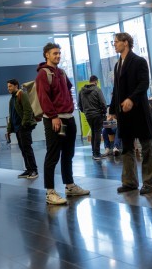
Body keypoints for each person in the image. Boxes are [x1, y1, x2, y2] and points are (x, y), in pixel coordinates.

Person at [37, 42, 90, 205]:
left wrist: (70, 108)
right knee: (53, 154)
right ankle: (50, 191)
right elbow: (43, 98)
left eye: (59, 53)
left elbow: (67, 90)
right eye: (54, 53)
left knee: (68, 153)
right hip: (55, 119)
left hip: (68, 117)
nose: (58, 56)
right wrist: (53, 116)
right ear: (47, 55)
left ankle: (69, 185)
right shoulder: (43, 74)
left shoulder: (61, 72)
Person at [109, 32, 152, 195]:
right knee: (127, 148)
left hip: (139, 111)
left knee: (146, 147)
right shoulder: (117, 65)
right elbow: (116, 89)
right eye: (114, 42)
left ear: (126, 42)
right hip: (124, 113)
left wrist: (131, 99)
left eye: (116, 42)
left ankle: (150, 183)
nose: (114, 45)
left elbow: (144, 84)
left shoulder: (139, 61)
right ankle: (130, 182)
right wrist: (112, 109)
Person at [6, 79, 38, 179]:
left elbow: (28, 110)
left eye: (10, 86)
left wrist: (24, 124)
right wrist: (9, 129)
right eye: (8, 87)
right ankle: (28, 169)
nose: (8, 89)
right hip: (17, 128)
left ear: (16, 86)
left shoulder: (22, 95)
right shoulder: (12, 99)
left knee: (27, 149)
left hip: (23, 127)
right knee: (23, 149)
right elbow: (11, 115)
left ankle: (34, 170)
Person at [78, 75, 108, 160]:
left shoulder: (81, 91)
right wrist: (103, 112)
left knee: (93, 133)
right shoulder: (97, 90)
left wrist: (86, 112)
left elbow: (79, 105)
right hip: (97, 114)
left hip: (88, 115)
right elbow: (103, 103)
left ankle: (94, 152)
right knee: (97, 133)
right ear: (96, 81)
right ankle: (97, 154)